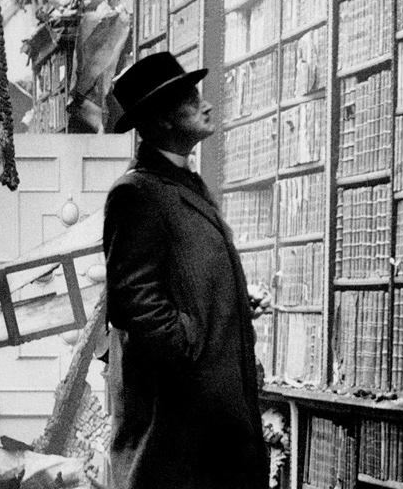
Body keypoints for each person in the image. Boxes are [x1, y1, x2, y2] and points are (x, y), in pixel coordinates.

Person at [103, 52, 269, 489]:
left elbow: (181, 278)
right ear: (162, 120)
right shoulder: (137, 193)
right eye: (191, 100)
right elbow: (134, 302)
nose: (206, 105)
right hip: (180, 427)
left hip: (212, 420)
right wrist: (189, 347)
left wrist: (232, 298)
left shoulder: (183, 184)